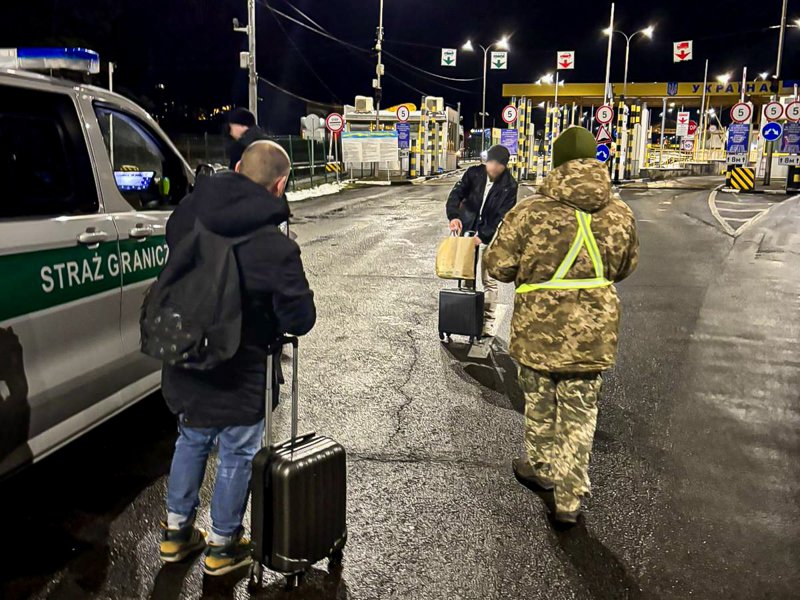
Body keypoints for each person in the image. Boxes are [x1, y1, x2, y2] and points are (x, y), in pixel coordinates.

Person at [159, 140, 316, 574]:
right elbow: (300, 318)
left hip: (186, 355)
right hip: (243, 368)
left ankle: (176, 535)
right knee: (237, 452)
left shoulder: (187, 215)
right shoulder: (274, 246)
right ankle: (223, 546)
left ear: (236, 168)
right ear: (280, 183)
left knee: (190, 439)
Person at [484, 127, 639, 525]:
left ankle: (543, 469)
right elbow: (625, 267)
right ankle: (569, 501)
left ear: (555, 165)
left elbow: (497, 266)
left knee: (539, 403)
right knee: (581, 413)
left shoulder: (530, 212)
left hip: (538, 328)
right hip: (594, 330)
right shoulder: (619, 213)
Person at [445, 144, 518, 338]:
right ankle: (467, 319)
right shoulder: (473, 174)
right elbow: (456, 194)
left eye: (498, 164)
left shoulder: (510, 185)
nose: (493, 167)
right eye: (491, 162)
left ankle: (488, 321)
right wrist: (454, 216)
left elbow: (503, 216)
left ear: (504, 166)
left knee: (489, 280)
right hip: (468, 232)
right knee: (467, 277)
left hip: (490, 237)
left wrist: (483, 236)